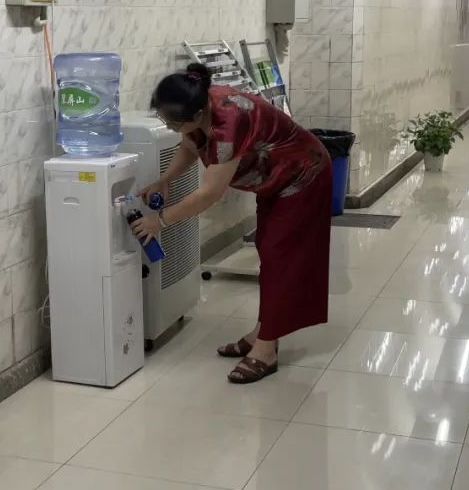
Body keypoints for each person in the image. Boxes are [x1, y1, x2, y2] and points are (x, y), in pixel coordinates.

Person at [131, 63, 332, 384]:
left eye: (173, 123)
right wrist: (164, 180)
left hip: (303, 175)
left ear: (198, 114)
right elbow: (189, 145)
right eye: (164, 120)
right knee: (270, 252)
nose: (170, 127)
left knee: (282, 258)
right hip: (275, 180)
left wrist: (161, 221)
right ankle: (263, 333)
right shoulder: (199, 101)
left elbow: (209, 193)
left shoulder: (229, 121)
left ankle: (266, 350)